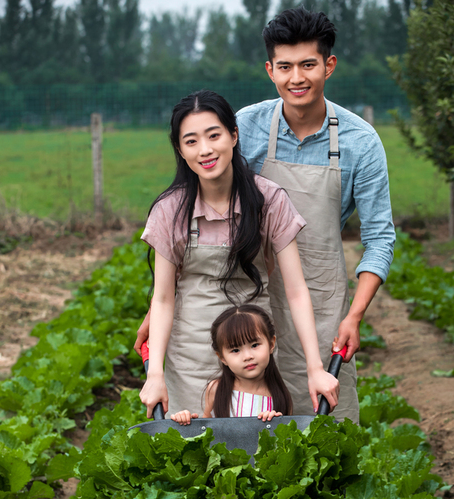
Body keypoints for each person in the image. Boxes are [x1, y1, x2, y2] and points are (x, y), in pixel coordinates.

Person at [235, 6, 396, 423]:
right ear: (270, 69)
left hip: (323, 300)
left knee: (324, 426)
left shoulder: (361, 141)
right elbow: (197, 213)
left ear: (329, 65)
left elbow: (380, 237)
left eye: (308, 64)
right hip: (249, 295)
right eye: (285, 66)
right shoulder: (245, 129)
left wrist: (354, 316)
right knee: (243, 423)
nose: (297, 78)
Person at [136, 90, 339, 419]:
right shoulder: (170, 209)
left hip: (251, 349)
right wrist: (155, 375)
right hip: (191, 351)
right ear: (180, 150)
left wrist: (315, 368)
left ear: (233, 135)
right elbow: (162, 299)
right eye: (191, 141)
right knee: (196, 454)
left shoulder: (267, 199)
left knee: (256, 453)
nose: (205, 150)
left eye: (214, 135)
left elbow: (296, 290)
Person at [171, 304, 292, 424]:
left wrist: (276, 423)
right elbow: (206, 430)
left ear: (271, 344)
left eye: (254, 345)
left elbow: (286, 438)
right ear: (222, 357)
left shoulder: (280, 396)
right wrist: (187, 421)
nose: (248, 356)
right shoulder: (216, 390)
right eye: (235, 350)